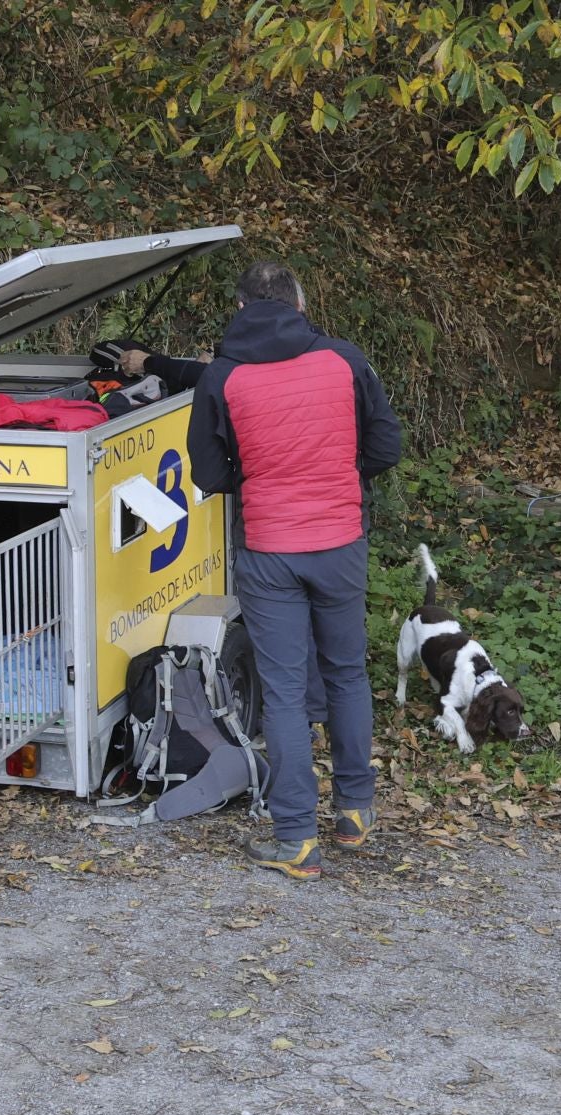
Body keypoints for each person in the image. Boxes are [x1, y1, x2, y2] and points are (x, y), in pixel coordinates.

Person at [123, 262, 402, 880]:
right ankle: (355, 811)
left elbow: (210, 474)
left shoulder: (223, 377)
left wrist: (261, 481)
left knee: (284, 694)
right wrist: (335, 481)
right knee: (347, 674)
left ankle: (297, 837)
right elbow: (386, 447)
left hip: (270, 548)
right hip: (340, 542)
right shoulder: (345, 360)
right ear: (300, 302)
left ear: (243, 306)